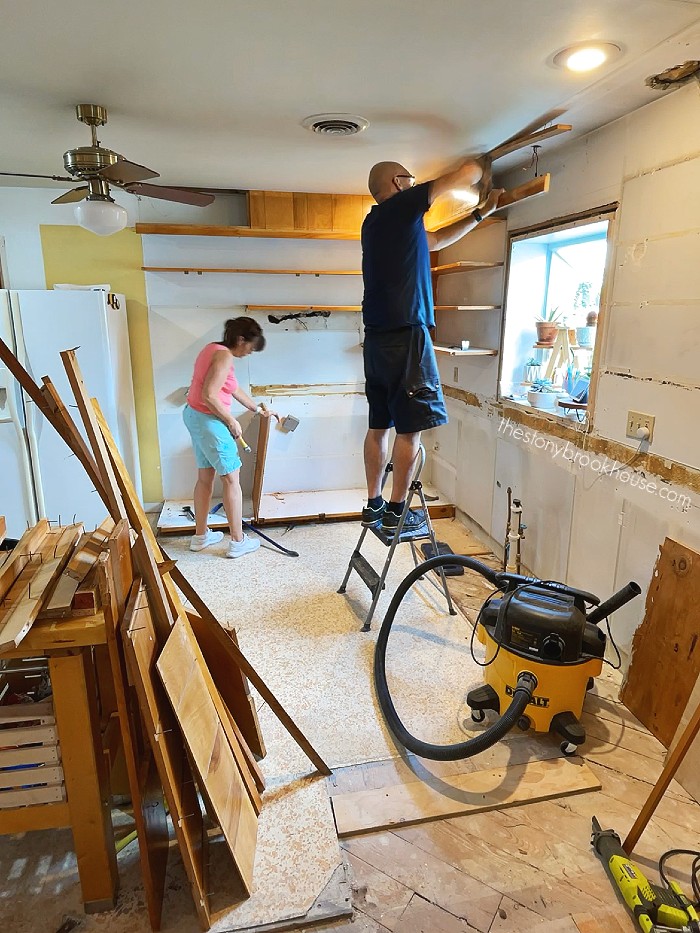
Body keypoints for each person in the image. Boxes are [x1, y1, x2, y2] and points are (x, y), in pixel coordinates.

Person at [360, 157, 504, 534]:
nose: (412, 183)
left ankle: (373, 504)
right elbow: (467, 171)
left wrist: (478, 215)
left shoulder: (375, 224)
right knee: (411, 430)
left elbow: (436, 240)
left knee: (379, 425)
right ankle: (396, 511)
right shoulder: (401, 205)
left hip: (376, 339)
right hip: (407, 334)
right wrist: (483, 171)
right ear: (398, 182)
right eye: (408, 178)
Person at [183, 317, 279, 558]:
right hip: (209, 421)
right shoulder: (224, 356)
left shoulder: (213, 349)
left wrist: (257, 409)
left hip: (195, 417)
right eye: (250, 346)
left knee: (205, 477)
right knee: (231, 480)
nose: (250, 352)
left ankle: (200, 536)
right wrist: (231, 421)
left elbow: (232, 388)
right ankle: (238, 542)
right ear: (240, 339)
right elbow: (209, 395)